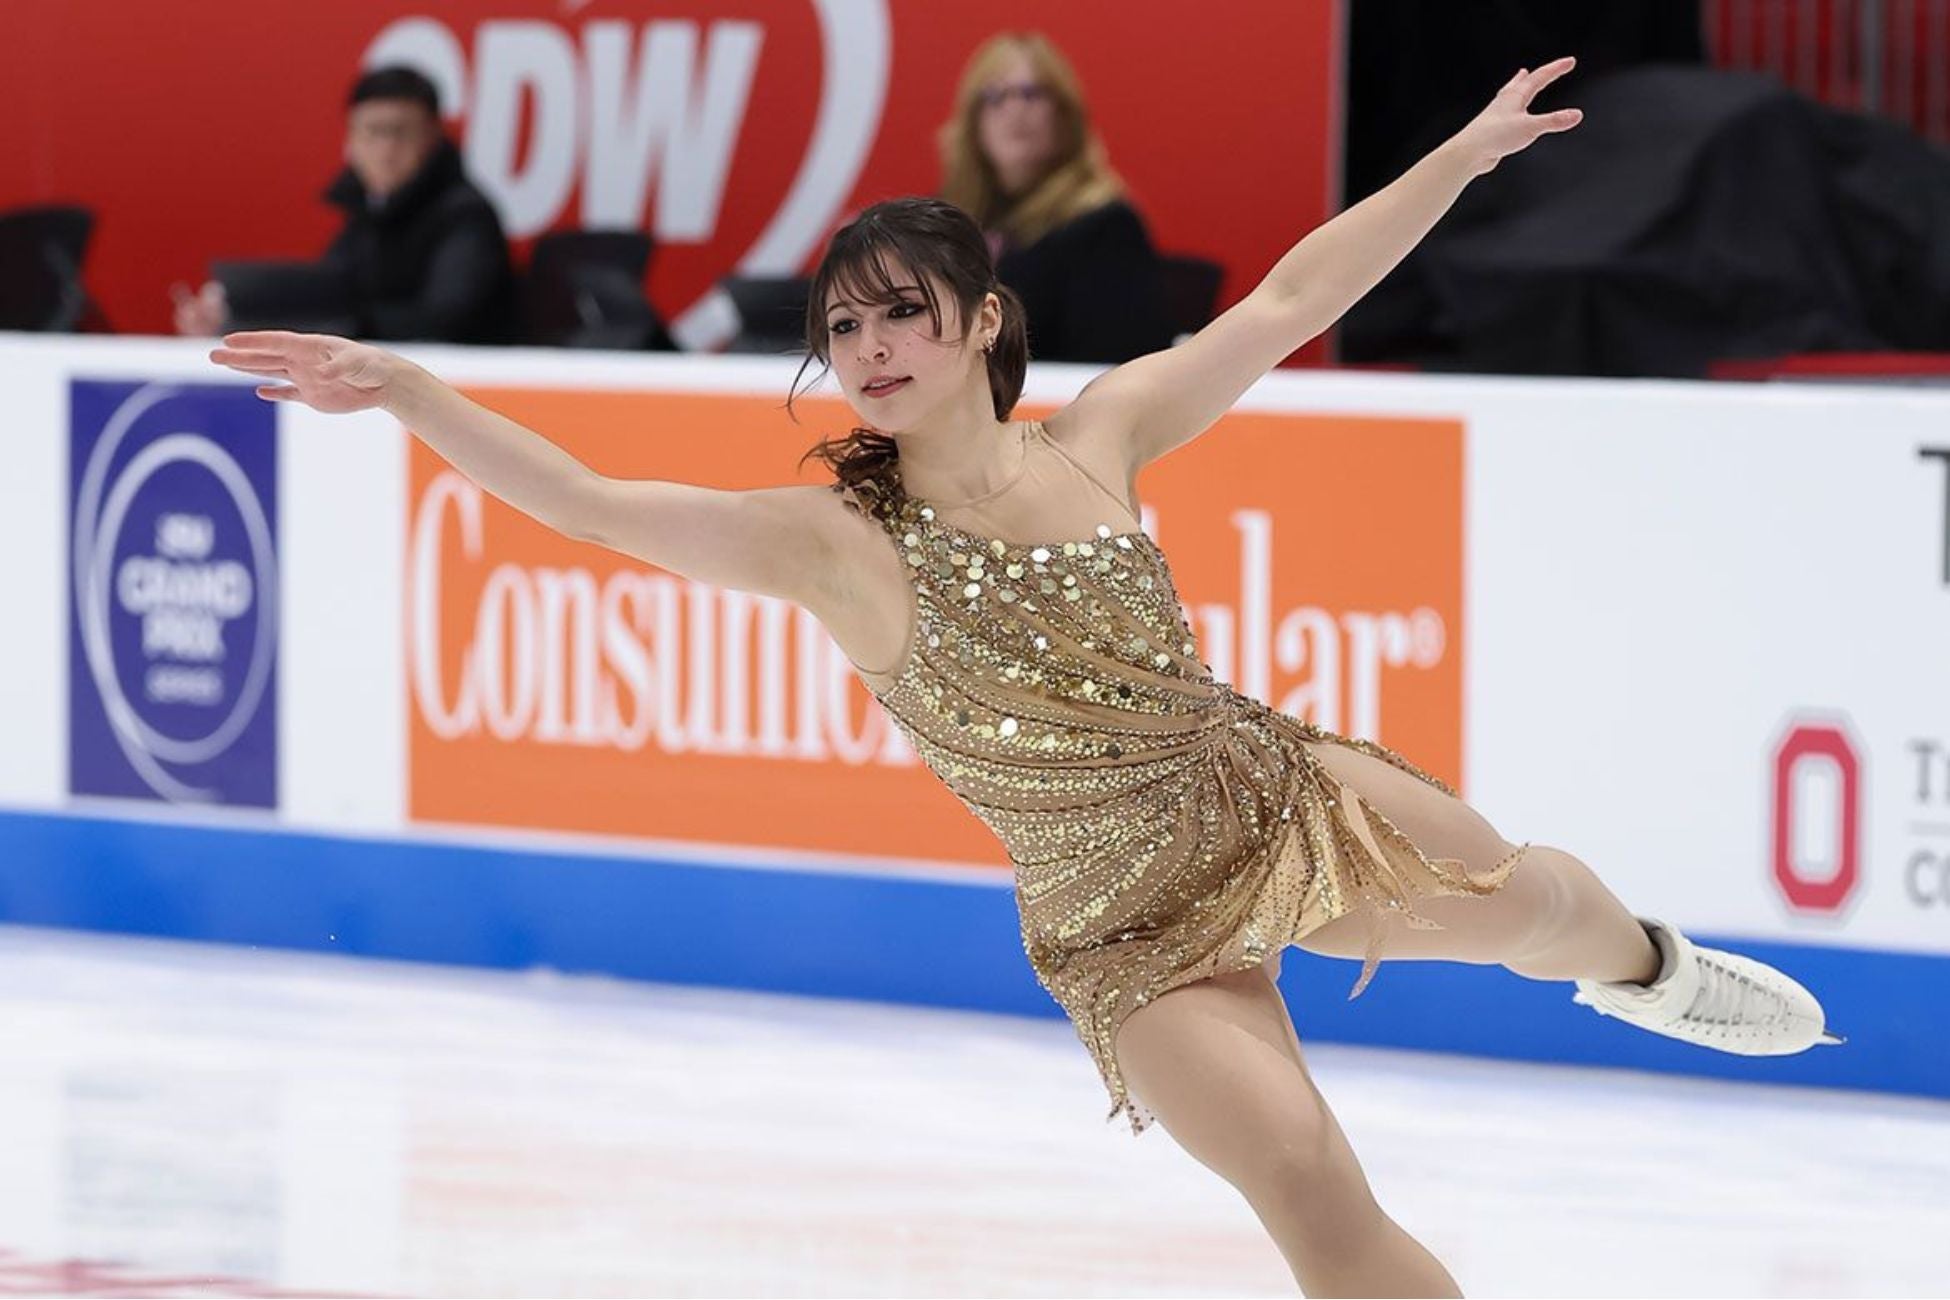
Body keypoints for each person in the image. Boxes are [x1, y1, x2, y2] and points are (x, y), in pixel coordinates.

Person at [209, 59, 1839, 1296]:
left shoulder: (1109, 430)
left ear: (985, 321)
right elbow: (593, 505)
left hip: (1271, 801)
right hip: (1119, 925)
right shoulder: (834, 545)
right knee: (1309, 1188)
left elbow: (1291, 297)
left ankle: (1649, 967)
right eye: (845, 328)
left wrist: (1464, 158)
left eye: (903, 313)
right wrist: (410, 388)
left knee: (1540, 910)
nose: (870, 348)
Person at [174, 65, 516, 345]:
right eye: (372, 132)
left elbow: (444, 318)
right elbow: (327, 292)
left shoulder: (465, 216)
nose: (386, 150)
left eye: (400, 132)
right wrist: (236, 315)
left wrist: (342, 325)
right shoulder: (365, 213)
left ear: (432, 137)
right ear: (350, 141)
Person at [939, 32, 1176, 363]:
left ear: (1066, 115)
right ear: (972, 123)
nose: (1015, 110)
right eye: (995, 96)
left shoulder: (1105, 227)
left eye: (1032, 94)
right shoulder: (950, 226)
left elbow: (1114, 363)